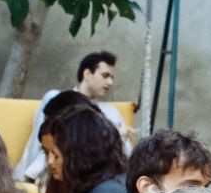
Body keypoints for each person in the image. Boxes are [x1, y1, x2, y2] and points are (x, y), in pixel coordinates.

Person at [16, 50, 130, 182]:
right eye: (105, 75)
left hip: (91, 174)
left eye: (112, 78)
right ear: (87, 74)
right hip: (47, 170)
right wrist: (25, 177)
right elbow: (38, 141)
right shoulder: (57, 98)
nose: (110, 82)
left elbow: (124, 151)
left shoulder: (111, 111)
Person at [36, 103, 130, 193]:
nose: (49, 161)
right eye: (46, 153)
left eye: (56, 155)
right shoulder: (80, 184)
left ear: (80, 153)